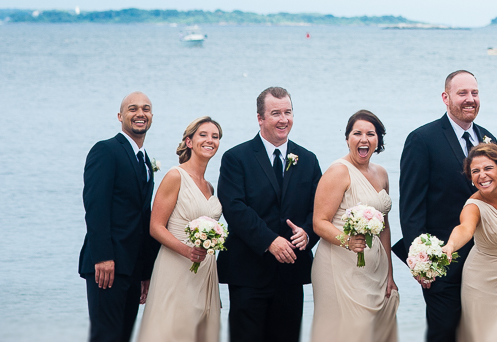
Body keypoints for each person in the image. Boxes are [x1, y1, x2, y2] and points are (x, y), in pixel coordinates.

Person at [397, 69, 497, 342]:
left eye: (474, 93)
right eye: (462, 93)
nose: (470, 99)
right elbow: (411, 208)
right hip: (442, 262)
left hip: (485, 261)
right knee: (444, 333)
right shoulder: (422, 140)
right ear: (446, 97)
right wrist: (421, 262)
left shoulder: (488, 139)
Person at [217, 87, 321, 342]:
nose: (283, 119)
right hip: (248, 271)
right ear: (260, 118)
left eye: (288, 112)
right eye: (275, 113)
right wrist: (270, 241)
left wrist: (307, 234)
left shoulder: (307, 159)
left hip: (291, 272)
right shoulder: (236, 158)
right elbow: (234, 207)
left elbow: (318, 209)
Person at [311, 109, 399, 342]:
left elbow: (385, 227)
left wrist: (390, 273)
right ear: (347, 138)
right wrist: (347, 241)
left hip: (375, 270)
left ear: (378, 139)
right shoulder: (338, 171)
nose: (364, 139)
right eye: (357, 133)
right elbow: (319, 223)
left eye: (370, 134)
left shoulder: (381, 173)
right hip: (339, 267)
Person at [80, 91, 161, 342]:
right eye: (133, 109)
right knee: (106, 336)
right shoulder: (106, 150)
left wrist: (146, 271)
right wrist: (103, 256)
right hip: (107, 266)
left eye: (146, 109)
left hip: (133, 268)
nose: (140, 114)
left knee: (123, 336)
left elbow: (143, 215)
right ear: (120, 116)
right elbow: (96, 207)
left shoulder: (145, 160)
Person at [136, 117, 225, 342]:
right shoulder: (176, 176)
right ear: (189, 141)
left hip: (205, 271)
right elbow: (155, 227)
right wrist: (187, 251)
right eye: (203, 135)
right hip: (176, 266)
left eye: (215, 137)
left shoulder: (209, 186)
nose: (210, 140)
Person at [438, 143, 497, 342]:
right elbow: (464, 229)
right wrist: (450, 246)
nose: (482, 175)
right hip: (483, 283)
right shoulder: (473, 205)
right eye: (475, 171)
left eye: (488, 168)